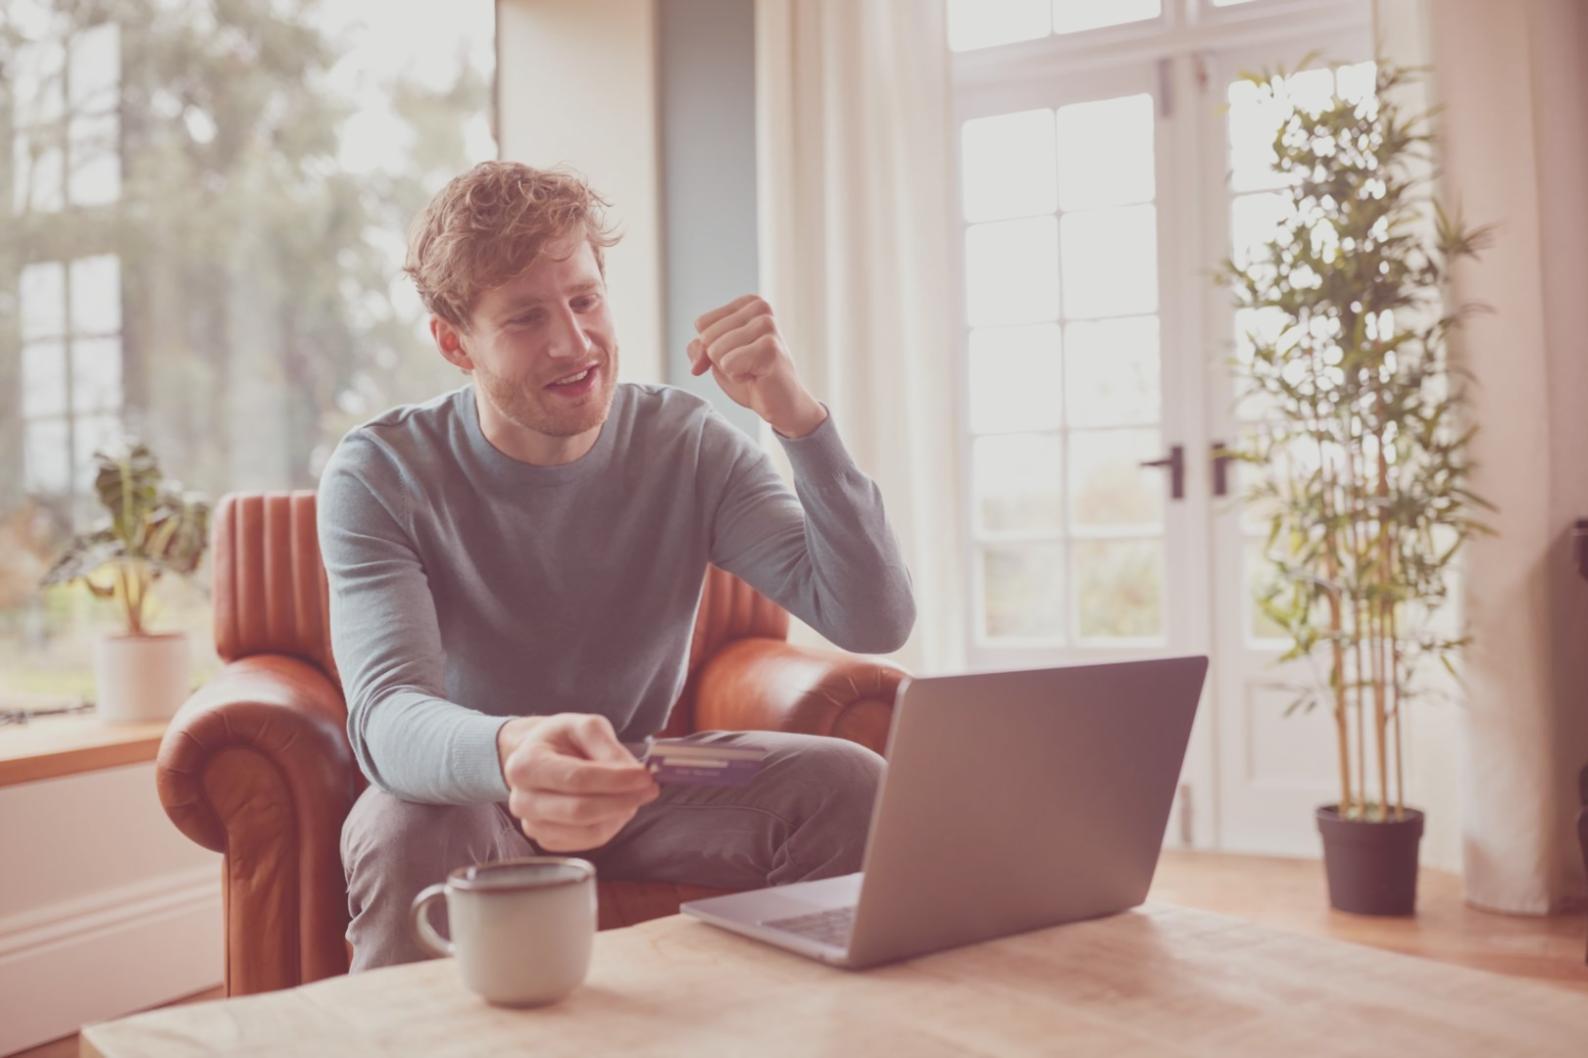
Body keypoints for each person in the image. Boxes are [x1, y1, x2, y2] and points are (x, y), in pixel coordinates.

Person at [318, 161, 916, 970]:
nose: (573, 342)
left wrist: (798, 420)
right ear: (455, 341)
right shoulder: (380, 472)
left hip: (644, 772)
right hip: (468, 785)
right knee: (402, 823)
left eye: (584, 300)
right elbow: (388, 716)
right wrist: (512, 750)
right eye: (526, 318)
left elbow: (872, 619)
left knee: (847, 781)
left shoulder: (688, 444)